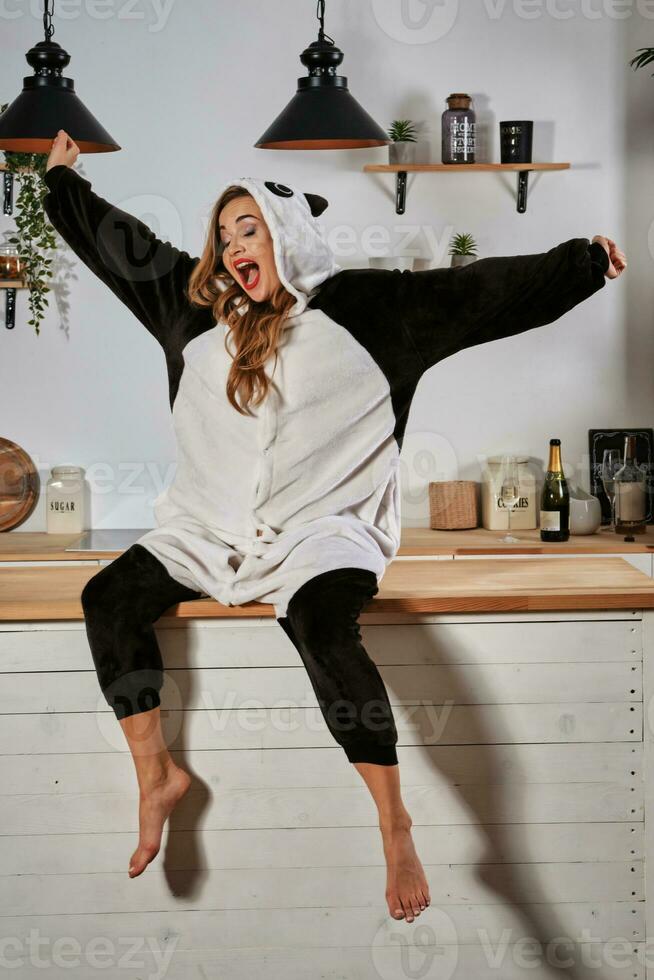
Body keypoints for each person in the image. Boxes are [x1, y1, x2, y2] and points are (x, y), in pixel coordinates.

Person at [43, 128, 626, 923]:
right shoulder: (194, 311)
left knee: (321, 624)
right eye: (223, 234)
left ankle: (395, 823)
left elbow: (479, 292)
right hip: (209, 530)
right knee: (108, 598)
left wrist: (582, 263)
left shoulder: (372, 310)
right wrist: (61, 184)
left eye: (248, 227)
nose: (232, 245)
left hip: (326, 529)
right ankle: (156, 776)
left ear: (289, 235)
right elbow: (121, 249)